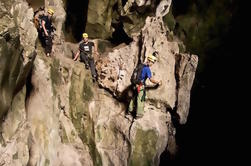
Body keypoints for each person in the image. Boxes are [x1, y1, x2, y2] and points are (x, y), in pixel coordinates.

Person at [128, 54, 162, 119]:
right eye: (152, 62)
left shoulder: (140, 65)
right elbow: (151, 79)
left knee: (134, 98)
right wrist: (158, 82)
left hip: (135, 85)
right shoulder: (147, 69)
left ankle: (129, 111)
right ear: (149, 61)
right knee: (140, 100)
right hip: (140, 86)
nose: (152, 64)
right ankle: (139, 114)